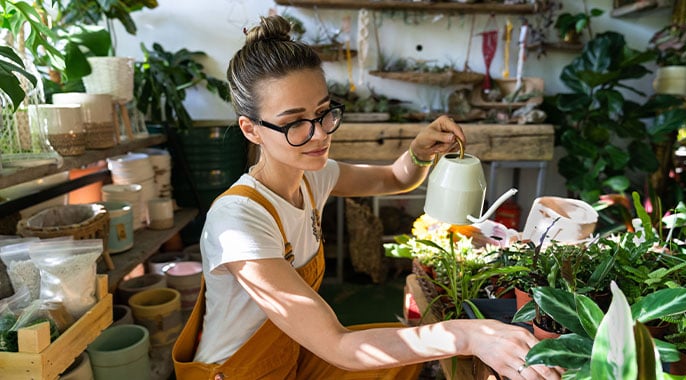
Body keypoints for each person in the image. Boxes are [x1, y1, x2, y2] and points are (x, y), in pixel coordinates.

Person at [172, 15, 561, 380]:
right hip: (238, 371)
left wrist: (420, 152)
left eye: (324, 112)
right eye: (294, 123)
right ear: (251, 129)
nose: (320, 135)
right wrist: (468, 335)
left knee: (403, 360)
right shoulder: (238, 221)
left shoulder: (313, 178)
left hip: (293, 352)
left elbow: (393, 178)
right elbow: (339, 346)